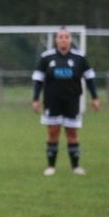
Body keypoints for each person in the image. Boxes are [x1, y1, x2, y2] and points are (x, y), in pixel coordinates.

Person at [32, 28, 99, 176]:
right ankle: (51, 167)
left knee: (72, 133)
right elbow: (38, 80)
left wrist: (95, 98)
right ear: (56, 40)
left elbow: (90, 78)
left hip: (72, 101)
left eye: (66, 37)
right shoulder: (46, 57)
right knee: (53, 133)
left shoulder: (79, 58)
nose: (63, 39)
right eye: (60, 37)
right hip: (52, 101)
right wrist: (35, 99)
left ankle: (75, 167)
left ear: (70, 39)